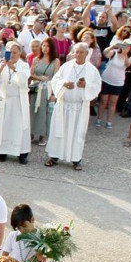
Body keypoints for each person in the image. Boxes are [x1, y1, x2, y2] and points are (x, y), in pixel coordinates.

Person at [45, 43, 101, 171]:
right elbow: (55, 80)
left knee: (77, 133)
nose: (78, 54)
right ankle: (54, 156)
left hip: (79, 107)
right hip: (64, 104)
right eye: (76, 52)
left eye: (81, 52)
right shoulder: (66, 66)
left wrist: (85, 86)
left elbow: (97, 86)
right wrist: (64, 84)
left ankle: (76, 159)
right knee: (58, 130)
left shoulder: (92, 70)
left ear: (87, 54)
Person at [0, 41, 31, 164]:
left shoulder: (23, 65)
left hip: (18, 100)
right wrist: (2, 68)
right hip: (5, 99)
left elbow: (23, 81)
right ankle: (3, 152)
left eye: (15, 52)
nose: (12, 55)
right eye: (10, 52)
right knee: (4, 125)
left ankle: (22, 154)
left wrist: (14, 69)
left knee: (19, 126)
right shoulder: (1, 63)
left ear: (19, 53)